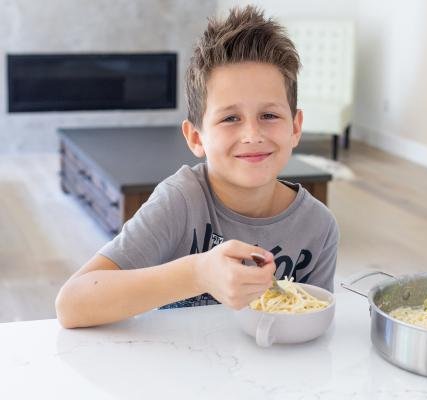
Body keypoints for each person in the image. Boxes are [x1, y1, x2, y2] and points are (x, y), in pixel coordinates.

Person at [55, 5, 339, 328]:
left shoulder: (319, 228)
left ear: (295, 128)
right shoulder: (181, 201)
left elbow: (314, 326)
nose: (252, 135)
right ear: (195, 137)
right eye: (230, 118)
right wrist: (198, 274)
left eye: (269, 115)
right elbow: (72, 303)